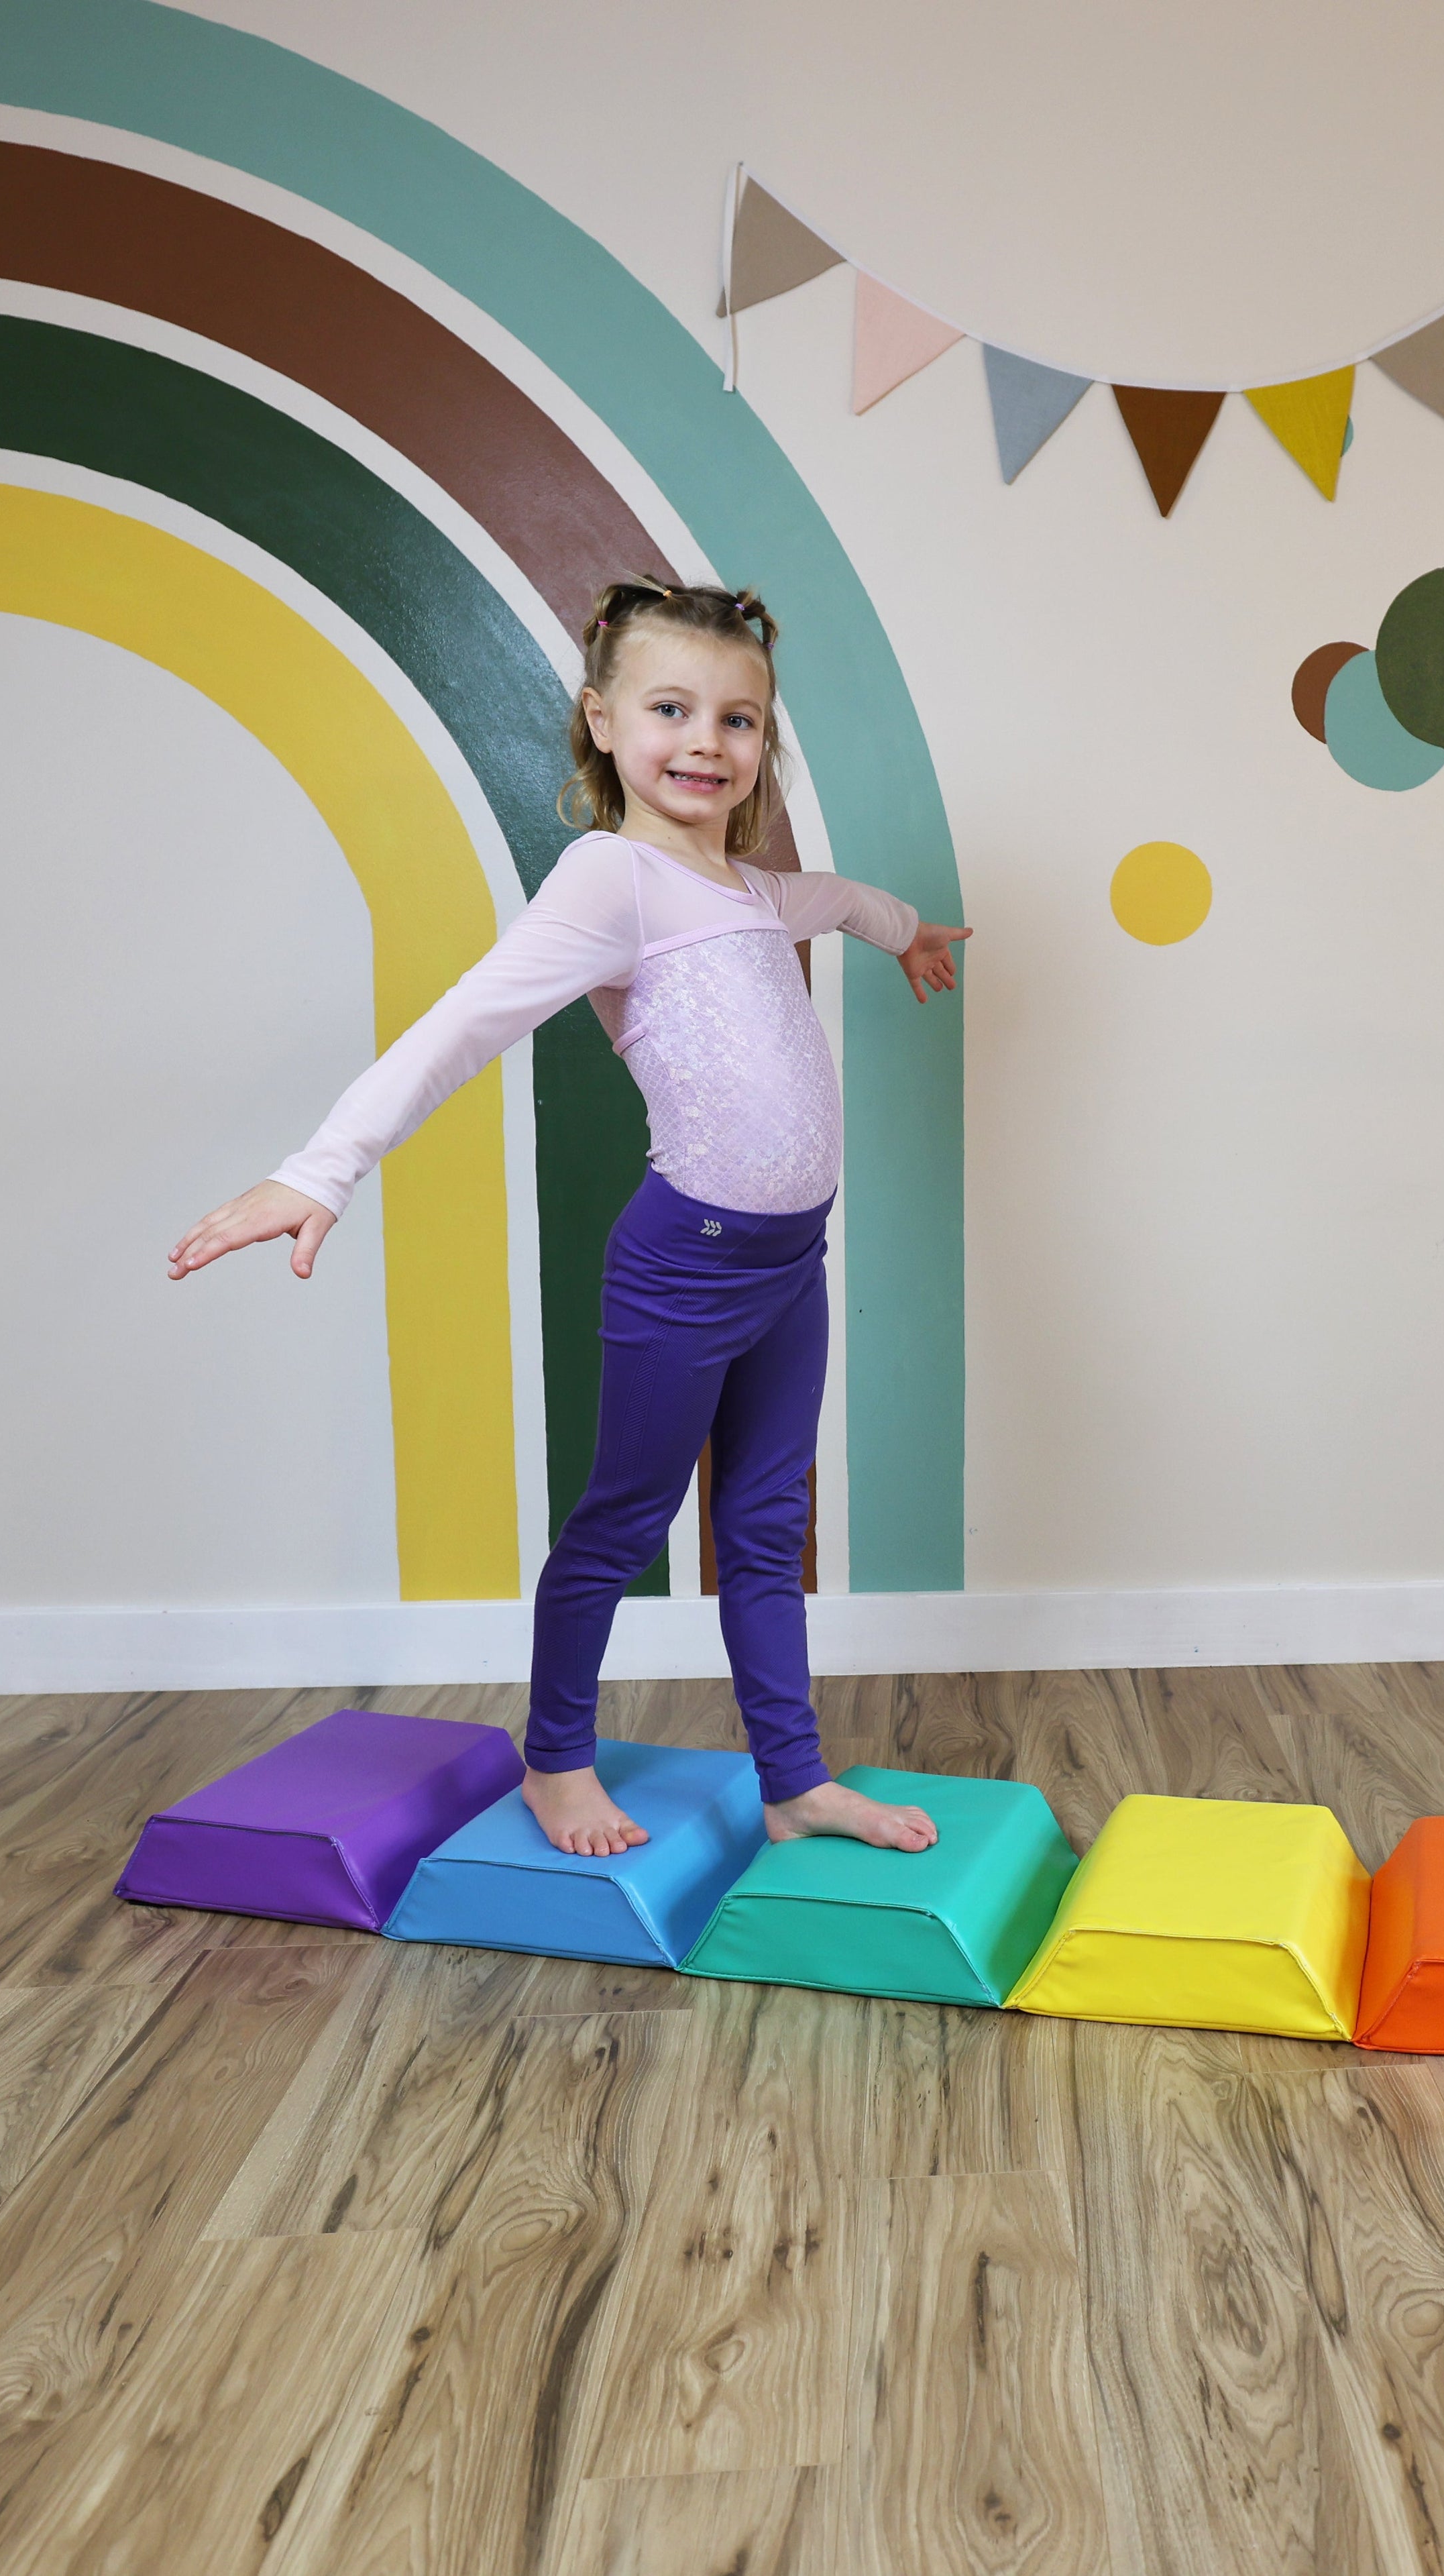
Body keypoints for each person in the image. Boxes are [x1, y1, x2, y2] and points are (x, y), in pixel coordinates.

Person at [168, 579, 966, 1858]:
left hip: (788, 1269)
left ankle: (797, 1782)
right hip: (685, 1269)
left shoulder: (758, 894)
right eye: (670, 709)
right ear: (601, 721)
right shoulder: (614, 882)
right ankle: (555, 1762)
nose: (707, 741)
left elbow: (848, 902)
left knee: (767, 1527)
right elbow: (462, 1025)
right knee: (621, 1521)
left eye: (739, 719)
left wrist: (913, 935)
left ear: (764, 744)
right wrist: (323, 1169)